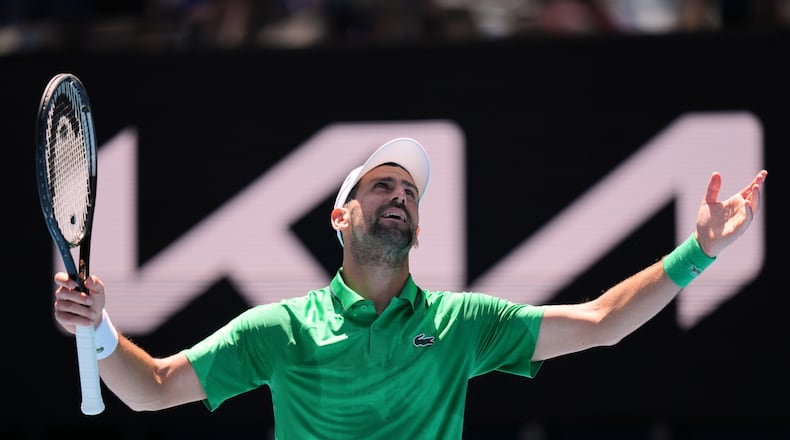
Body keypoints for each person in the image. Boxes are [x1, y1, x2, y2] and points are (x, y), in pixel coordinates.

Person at [53, 137, 768, 439]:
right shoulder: (279, 331)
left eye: (411, 191)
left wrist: (698, 253)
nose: (401, 196)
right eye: (382, 185)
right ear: (341, 216)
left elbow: (605, 320)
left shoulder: (462, 323)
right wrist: (100, 328)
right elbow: (150, 387)